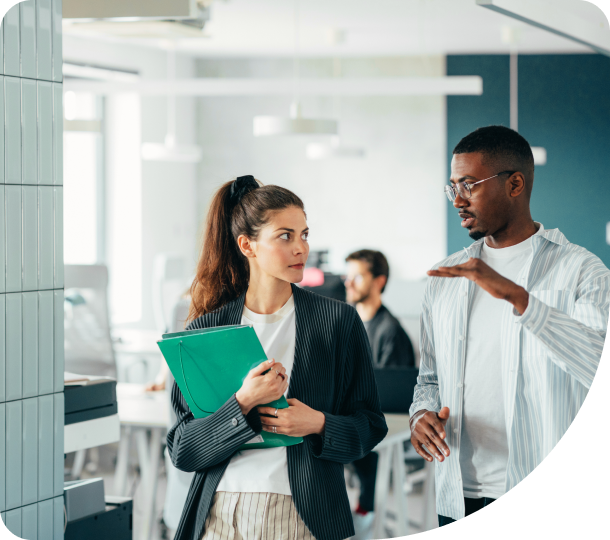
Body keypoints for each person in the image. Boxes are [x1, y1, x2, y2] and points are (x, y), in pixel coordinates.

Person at [166, 176, 388, 540]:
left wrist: (317, 423)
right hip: (219, 514)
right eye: (285, 236)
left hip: (302, 514)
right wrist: (243, 402)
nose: (301, 248)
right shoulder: (202, 331)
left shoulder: (337, 322)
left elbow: (370, 425)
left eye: (304, 234)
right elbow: (182, 450)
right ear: (247, 245)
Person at [409, 125, 610, 526]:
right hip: (457, 492)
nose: (457, 201)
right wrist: (420, 416)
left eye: (469, 185)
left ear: (515, 183)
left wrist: (521, 301)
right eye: (452, 187)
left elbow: (594, 363)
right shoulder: (446, 275)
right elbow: (429, 378)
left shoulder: (582, 270)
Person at [343, 249, 415, 538]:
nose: (348, 283)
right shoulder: (347, 324)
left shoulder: (391, 332)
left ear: (378, 281)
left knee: (360, 448)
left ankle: (364, 515)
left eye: (357, 276)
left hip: (381, 430)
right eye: (347, 276)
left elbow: (390, 399)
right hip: (349, 419)